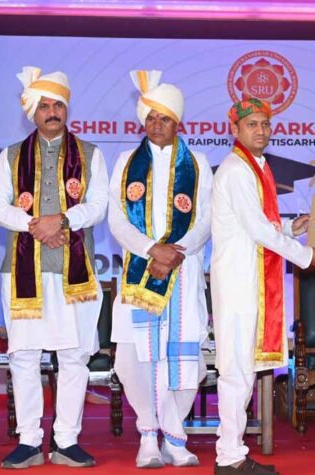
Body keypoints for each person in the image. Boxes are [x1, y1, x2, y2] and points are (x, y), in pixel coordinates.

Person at [0, 66, 108, 468]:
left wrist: (64, 220)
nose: (52, 112)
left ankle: (66, 441)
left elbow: (98, 205)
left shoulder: (90, 154)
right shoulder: (10, 156)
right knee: (24, 356)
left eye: (58, 104)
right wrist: (35, 225)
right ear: (32, 113)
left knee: (74, 356)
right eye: (44, 106)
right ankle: (28, 440)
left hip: (76, 271)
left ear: (66, 109)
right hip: (23, 272)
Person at [211, 98, 315, 475]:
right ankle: (229, 457)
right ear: (235, 129)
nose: (261, 130)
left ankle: (232, 452)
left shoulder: (256, 166)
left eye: (265, 124)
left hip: (250, 281)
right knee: (235, 371)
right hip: (237, 282)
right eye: (252, 125)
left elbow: (260, 226)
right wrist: (306, 255)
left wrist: (292, 227)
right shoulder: (236, 169)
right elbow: (257, 230)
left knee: (243, 370)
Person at [108, 70, 211, 468]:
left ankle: (175, 435)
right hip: (141, 272)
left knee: (184, 358)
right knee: (135, 358)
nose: (155, 124)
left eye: (163, 118)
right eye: (150, 117)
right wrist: (152, 250)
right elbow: (117, 220)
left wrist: (176, 252)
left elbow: (206, 220)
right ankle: (148, 434)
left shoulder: (198, 163)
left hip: (183, 272)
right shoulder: (125, 163)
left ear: (177, 122)